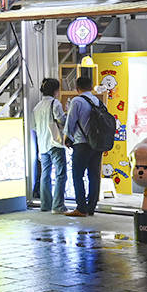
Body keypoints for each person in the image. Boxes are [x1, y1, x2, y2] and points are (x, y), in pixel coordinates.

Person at [63, 74, 104, 217]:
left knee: (77, 175)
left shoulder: (77, 101)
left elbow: (71, 122)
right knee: (94, 175)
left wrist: (67, 138)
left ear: (77, 87)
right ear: (91, 87)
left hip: (81, 144)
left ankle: (81, 208)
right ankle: (91, 207)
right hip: (97, 144)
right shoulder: (97, 101)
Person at [31, 77, 68, 212]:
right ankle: (58, 206)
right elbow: (61, 120)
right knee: (60, 174)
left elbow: (34, 127)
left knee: (45, 174)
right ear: (55, 91)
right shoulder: (55, 104)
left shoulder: (37, 107)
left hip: (42, 144)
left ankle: (45, 204)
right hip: (55, 142)